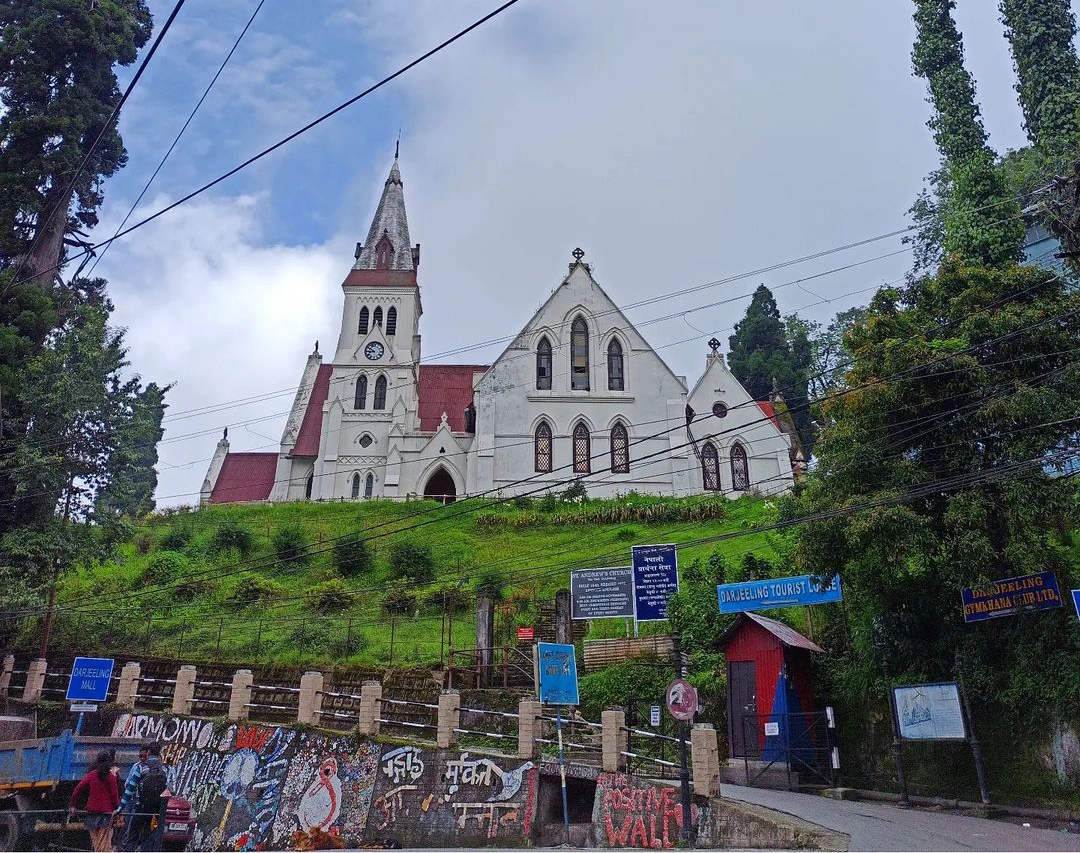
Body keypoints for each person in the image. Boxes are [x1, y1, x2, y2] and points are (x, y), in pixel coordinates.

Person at [69, 751, 120, 852]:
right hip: (106, 814)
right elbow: (114, 796)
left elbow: (77, 789)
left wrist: (73, 805)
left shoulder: (92, 775)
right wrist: (117, 809)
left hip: (91, 813)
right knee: (104, 844)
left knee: (96, 843)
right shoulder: (111, 777)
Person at [122, 742, 166, 852]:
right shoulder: (164, 769)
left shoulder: (141, 767)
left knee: (132, 836)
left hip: (140, 807)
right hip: (155, 811)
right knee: (149, 837)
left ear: (149, 752)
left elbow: (129, 788)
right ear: (159, 753)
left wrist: (119, 808)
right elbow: (169, 790)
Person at [117, 745, 150, 851]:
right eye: (140, 756)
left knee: (132, 825)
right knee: (129, 823)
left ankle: (127, 845)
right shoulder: (137, 766)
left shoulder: (142, 768)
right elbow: (128, 783)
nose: (142, 758)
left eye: (144, 756)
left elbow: (129, 785)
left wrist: (120, 806)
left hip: (137, 799)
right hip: (133, 799)